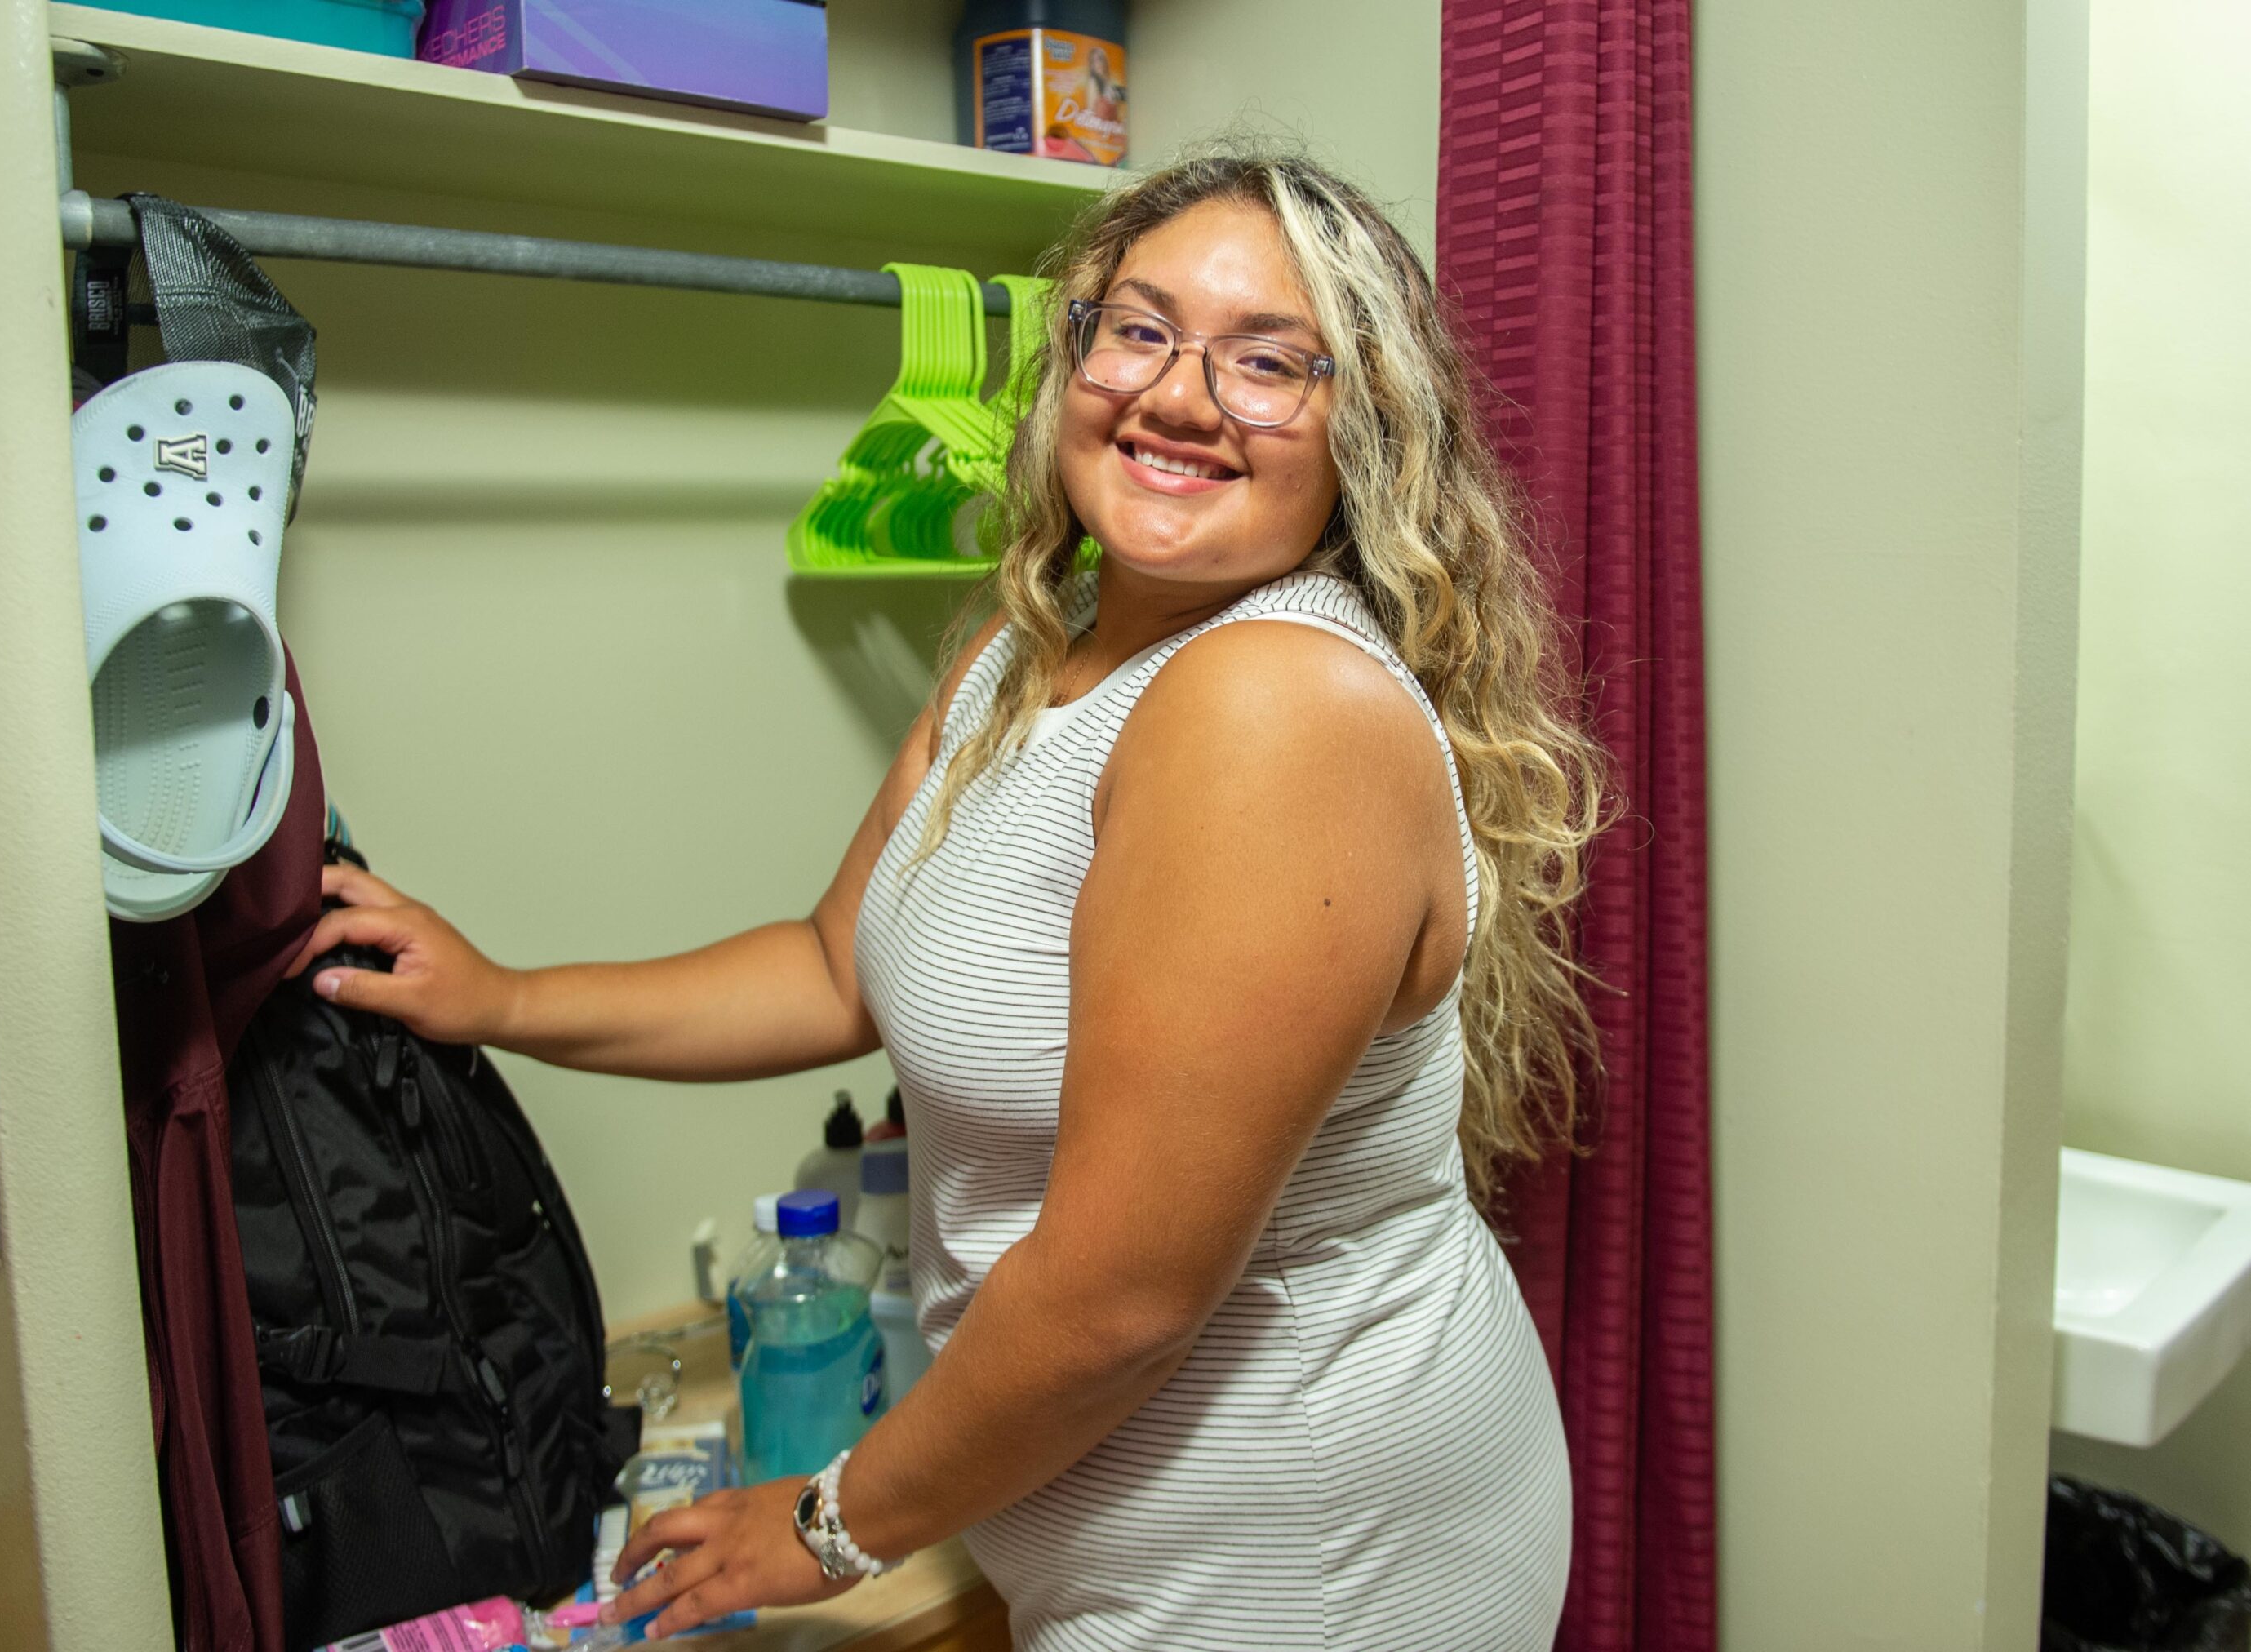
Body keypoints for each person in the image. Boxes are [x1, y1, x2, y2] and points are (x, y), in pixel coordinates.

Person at [291, 149, 1602, 1650]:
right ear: (1070, 361)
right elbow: (833, 964)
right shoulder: (1023, 654)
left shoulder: (1273, 707)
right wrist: (503, 997)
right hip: (1087, 1511)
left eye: (1268, 363)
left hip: (1308, 1549)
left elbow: (1119, 1297)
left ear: (1362, 431)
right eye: (1139, 328)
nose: (1178, 395)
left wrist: (830, 1522)